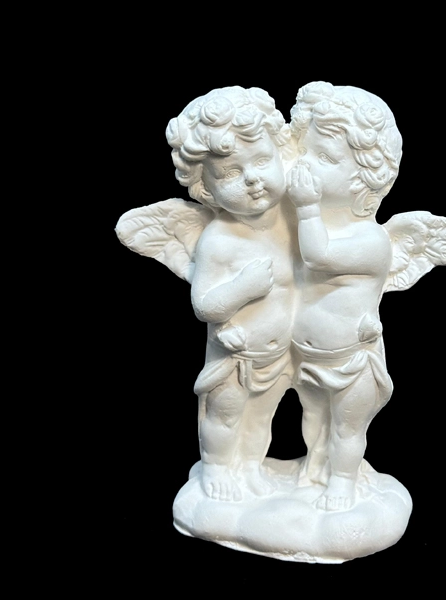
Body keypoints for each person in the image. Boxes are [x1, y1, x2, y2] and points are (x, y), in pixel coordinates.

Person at [165, 87, 297, 501]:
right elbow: (204, 304)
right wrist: (243, 289)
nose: (253, 179)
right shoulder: (219, 240)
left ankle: (250, 467)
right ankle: (217, 468)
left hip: (279, 355)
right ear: (205, 190)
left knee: (260, 419)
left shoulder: (295, 222)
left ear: (282, 157)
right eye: (230, 174)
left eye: (262, 161)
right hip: (234, 355)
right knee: (225, 415)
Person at [287, 82, 403, 511]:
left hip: (352, 361)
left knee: (346, 429)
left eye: (324, 158)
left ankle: (342, 482)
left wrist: (305, 207)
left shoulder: (371, 241)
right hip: (308, 356)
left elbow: (317, 258)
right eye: (306, 153)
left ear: (362, 178)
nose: (306, 165)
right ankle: (316, 467)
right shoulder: (306, 227)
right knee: (314, 421)